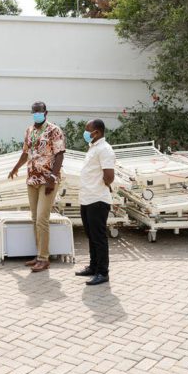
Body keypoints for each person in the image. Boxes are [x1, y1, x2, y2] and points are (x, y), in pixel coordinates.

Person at [8, 102, 66, 273]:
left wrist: (53, 178)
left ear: (45, 112)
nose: (36, 114)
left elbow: (60, 154)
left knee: (42, 218)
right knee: (35, 218)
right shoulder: (29, 130)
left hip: (48, 180)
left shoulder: (54, 130)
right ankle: (39, 254)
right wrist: (15, 168)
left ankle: (44, 259)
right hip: (32, 179)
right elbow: (25, 153)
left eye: (39, 112)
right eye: (34, 112)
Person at [76, 119, 116, 286]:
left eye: (88, 130)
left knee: (99, 237)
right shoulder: (93, 147)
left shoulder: (104, 149)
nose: (85, 133)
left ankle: (102, 272)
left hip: (98, 199)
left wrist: (100, 186)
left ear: (97, 132)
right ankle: (93, 267)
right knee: (91, 235)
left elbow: (109, 176)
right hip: (87, 198)